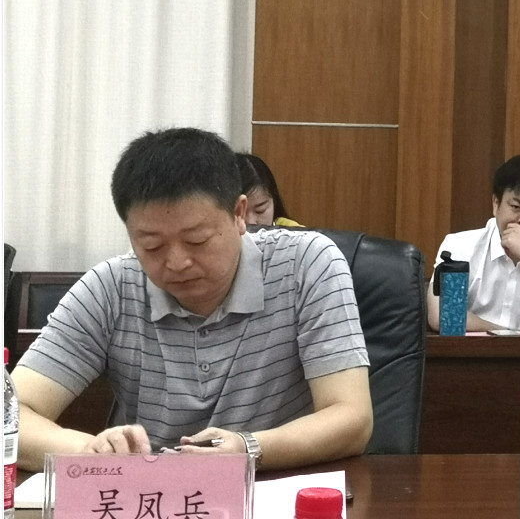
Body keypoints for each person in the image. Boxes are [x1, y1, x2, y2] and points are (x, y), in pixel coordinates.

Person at [13, 128, 373, 471]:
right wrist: (92, 452)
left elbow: (351, 417)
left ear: (239, 214)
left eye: (197, 240)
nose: (177, 262)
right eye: (152, 245)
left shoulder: (306, 264)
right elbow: (13, 414)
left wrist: (248, 448)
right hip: (150, 499)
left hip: (274, 491)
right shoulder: (111, 288)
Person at [427, 155, 520, 333]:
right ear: (496, 204)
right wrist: (508, 336)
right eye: (516, 207)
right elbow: (442, 316)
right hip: (469, 350)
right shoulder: (460, 246)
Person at [237, 152, 302, 227]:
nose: (250, 222)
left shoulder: (293, 231)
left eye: (260, 211)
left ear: (274, 202)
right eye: (239, 212)